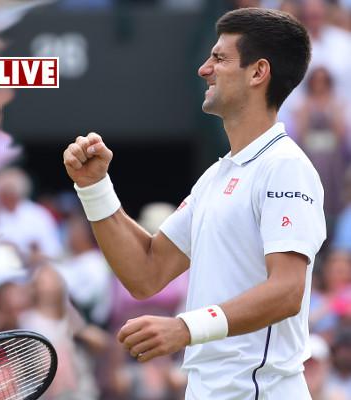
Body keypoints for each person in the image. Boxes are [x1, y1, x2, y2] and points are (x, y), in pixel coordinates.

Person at [63, 7, 326, 399]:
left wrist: (185, 328)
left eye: (219, 58)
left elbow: (287, 291)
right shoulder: (215, 177)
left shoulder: (285, 166)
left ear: (258, 72)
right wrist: (94, 187)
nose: (204, 69)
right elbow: (146, 273)